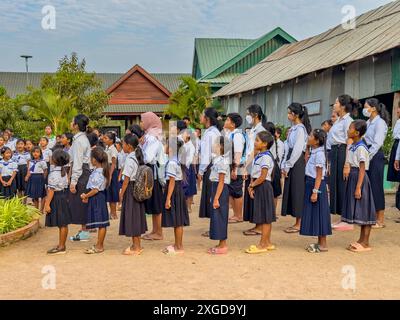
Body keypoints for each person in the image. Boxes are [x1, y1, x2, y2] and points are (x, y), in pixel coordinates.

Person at [342, 120, 376, 252]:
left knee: (365, 211)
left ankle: (366, 242)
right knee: (360, 211)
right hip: (354, 177)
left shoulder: (361, 148)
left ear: (356, 133)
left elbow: (362, 168)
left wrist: (358, 187)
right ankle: (361, 240)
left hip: (360, 179)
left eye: (350, 128)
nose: (347, 130)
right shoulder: (353, 145)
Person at [281, 103, 311, 234]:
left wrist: (288, 165)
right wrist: (284, 164)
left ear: (296, 114)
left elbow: (298, 150)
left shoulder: (300, 129)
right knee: (293, 190)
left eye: (289, 113)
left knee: (298, 190)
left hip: (296, 162)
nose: (288, 115)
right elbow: (287, 147)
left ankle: (300, 222)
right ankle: (297, 221)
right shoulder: (293, 129)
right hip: (291, 160)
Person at [300, 129, 332, 253]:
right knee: (316, 214)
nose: (309, 136)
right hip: (311, 184)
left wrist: (315, 191)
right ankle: (320, 242)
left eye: (311, 136)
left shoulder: (319, 154)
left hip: (316, 185)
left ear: (317, 141)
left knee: (320, 213)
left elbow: (319, 174)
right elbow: (306, 160)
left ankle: (323, 244)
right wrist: (307, 147)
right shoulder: (315, 151)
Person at [245, 131, 276, 254]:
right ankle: (267, 242)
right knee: (264, 216)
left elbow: (263, 176)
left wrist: (251, 185)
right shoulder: (259, 155)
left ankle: (263, 244)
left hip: (263, 186)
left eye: (257, 140)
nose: (255, 142)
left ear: (264, 144)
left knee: (265, 217)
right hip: (259, 185)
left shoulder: (266, 157)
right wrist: (252, 186)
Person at [327, 95, 355, 232]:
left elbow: (349, 141)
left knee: (344, 185)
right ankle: (342, 217)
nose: (334, 104)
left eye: (337, 102)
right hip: (335, 152)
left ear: (343, 106)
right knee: (336, 185)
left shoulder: (348, 121)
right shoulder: (339, 120)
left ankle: (348, 219)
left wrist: (347, 163)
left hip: (343, 151)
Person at [119, 134, 148, 256]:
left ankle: (136, 247)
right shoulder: (137, 156)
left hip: (131, 189)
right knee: (137, 216)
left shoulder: (130, 159)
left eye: (123, 144)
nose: (122, 146)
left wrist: (121, 193)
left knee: (133, 217)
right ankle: (137, 244)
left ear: (129, 146)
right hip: (138, 189)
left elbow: (126, 180)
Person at [363, 98, 389, 229]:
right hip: (367, 154)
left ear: (373, 108)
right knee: (368, 186)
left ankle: (380, 219)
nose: (364, 109)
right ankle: (371, 216)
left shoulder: (380, 123)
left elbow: (377, 142)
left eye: (366, 107)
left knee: (376, 186)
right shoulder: (368, 122)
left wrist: (368, 156)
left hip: (375, 155)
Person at [243, 104, 268, 236]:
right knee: (253, 194)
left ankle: (259, 226)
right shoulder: (252, 130)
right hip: (251, 164)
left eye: (249, 114)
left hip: (257, 165)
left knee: (257, 195)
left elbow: (255, 150)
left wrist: (246, 166)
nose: (247, 116)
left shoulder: (261, 130)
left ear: (256, 116)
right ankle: (256, 224)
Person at [162, 138, 190, 255]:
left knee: (177, 220)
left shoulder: (172, 163)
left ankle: (178, 247)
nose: (165, 147)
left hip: (174, 191)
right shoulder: (175, 160)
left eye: (167, 145)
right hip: (176, 191)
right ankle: (178, 244)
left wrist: (168, 198)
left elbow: (172, 182)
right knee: (177, 220)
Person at [80, 147, 111, 254]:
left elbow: (95, 190)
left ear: (94, 160)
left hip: (97, 198)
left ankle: (99, 245)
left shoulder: (98, 173)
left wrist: (86, 196)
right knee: (101, 222)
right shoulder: (99, 171)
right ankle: (99, 244)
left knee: (101, 223)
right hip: (97, 198)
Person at [141, 112, 165, 241]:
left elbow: (149, 157)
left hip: (153, 174)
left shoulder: (152, 137)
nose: (141, 123)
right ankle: (155, 230)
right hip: (153, 173)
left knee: (156, 204)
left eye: (142, 120)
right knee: (154, 204)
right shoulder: (152, 135)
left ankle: (158, 232)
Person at [198, 108, 222, 237]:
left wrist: (201, 171)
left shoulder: (210, 133)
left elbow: (207, 154)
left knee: (212, 196)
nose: (200, 117)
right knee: (211, 196)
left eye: (202, 115)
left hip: (211, 166)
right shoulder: (212, 132)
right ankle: (213, 227)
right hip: (213, 165)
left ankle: (214, 227)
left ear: (207, 118)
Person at [69, 114, 92, 242]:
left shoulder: (79, 141)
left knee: (81, 201)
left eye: (72, 121)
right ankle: (84, 230)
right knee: (82, 201)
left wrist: (73, 181)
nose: (71, 122)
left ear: (76, 125)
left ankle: (84, 232)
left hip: (81, 172)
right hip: (83, 171)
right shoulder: (81, 139)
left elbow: (77, 162)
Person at [44, 149, 71, 255]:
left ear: (54, 160)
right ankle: (62, 244)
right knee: (63, 223)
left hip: (57, 198)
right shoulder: (63, 171)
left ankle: (61, 246)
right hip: (63, 196)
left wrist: (47, 204)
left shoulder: (54, 174)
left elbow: (51, 191)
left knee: (62, 223)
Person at [208, 136, 231, 255]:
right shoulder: (217, 159)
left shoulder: (223, 161)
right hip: (216, 188)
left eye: (215, 144)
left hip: (220, 190)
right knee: (216, 216)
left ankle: (223, 245)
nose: (213, 146)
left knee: (221, 216)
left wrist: (216, 198)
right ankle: (220, 243)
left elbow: (221, 181)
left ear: (221, 147)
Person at [224, 113, 245, 224]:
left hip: (236, 166)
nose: (225, 121)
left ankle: (239, 215)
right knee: (232, 190)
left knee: (237, 191)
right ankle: (235, 214)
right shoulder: (231, 134)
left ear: (233, 124)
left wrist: (235, 169)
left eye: (227, 120)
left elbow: (238, 153)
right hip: (231, 165)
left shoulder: (237, 136)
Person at [177, 121, 197, 213]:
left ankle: (187, 207)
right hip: (185, 166)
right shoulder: (181, 140)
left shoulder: (180, 140)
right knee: (187, 187)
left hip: (184, 166)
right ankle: (186, 207)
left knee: (187, 187)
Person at [103, 131, 119, 220]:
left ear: (111, 140)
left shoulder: (113, 149)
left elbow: (113, 163)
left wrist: (110, 175)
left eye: (106, 138)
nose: (104, 140)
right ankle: (111, 213)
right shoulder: (107, 148)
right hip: (106, 170)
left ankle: (114, 213)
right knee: (109, 192)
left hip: (111, 171)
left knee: (113, 192)